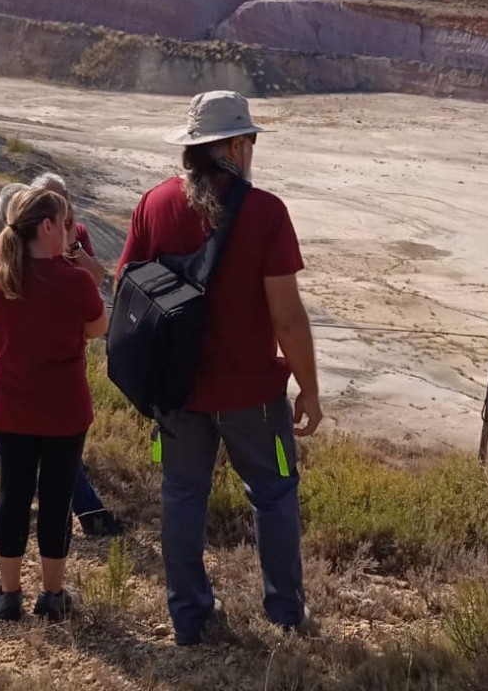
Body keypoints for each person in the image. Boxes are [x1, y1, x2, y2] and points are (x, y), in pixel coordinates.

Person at [116, 90, 322, 646]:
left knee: (182, 495)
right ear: (234, 145)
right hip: (252, 393)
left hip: (176, 395)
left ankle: (189, 618)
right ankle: (284, 614)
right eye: (250, 140)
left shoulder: (152, 205)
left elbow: (126, 291)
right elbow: (287, 317)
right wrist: (309, 389)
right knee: (275, 494)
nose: (252, 150)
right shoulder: (266, 212)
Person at [0, 187, 108, 622]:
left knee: (11, 496)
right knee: (55, 499)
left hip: (10, 405)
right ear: (47, 227)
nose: (72, 231)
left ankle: (9, 593)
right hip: (63, 409)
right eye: (66, 223)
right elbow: (97, 329)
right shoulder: (74, 281)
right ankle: (52, 595)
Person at [0, 180, 125, 537]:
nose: (62, 209)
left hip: (28, 386)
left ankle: (17, 587)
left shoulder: (73, 235)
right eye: (54, 203)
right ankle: (87, 522)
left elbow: (96, 278)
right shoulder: (5, 254)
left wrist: (73, 244)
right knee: (39, 484)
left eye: (62, 201)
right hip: (34, 382)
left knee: (40, 481)